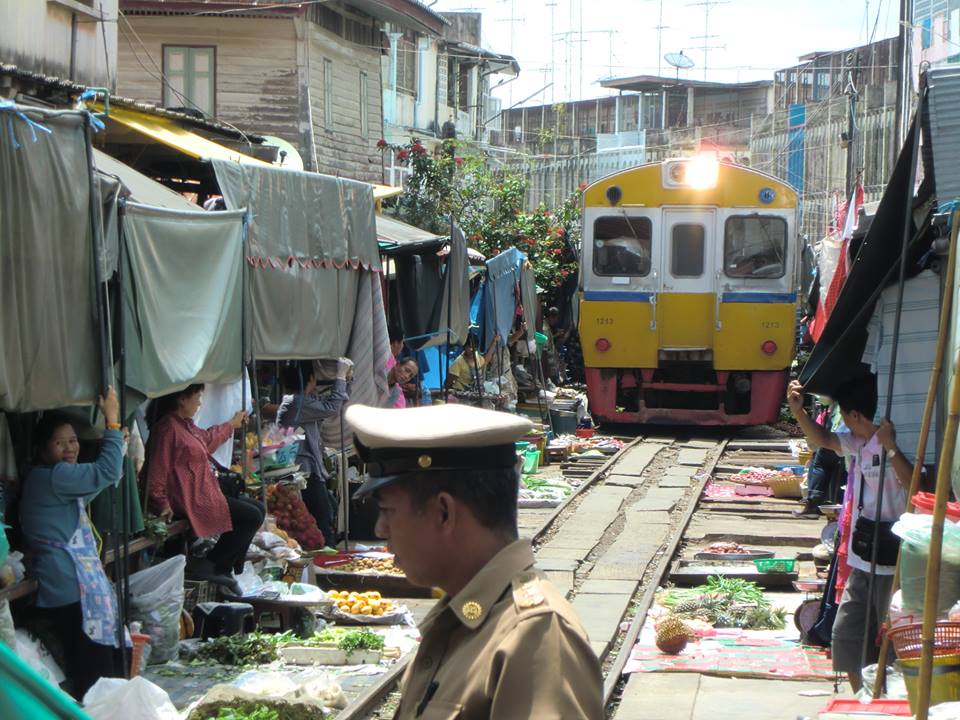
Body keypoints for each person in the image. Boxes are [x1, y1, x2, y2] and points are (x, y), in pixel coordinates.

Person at [346, 403, 603, 719]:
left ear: (444, 513)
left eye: (387, 512)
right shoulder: (462, 619)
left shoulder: (536, 636)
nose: (379, 529)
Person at [787, 376, 911, 692]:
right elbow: (825, 439)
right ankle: (862, 701)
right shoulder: (858, 442)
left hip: (894, 561)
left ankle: (889, 701)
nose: (844, 422)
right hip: (861, 556)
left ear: (855, 414)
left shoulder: (896, 440)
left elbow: (916, 485)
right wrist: (798, 412)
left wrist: (892, 448)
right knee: (846, 634)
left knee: (892, 639)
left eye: (845, 415)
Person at [19, 387, 126, 699]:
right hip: (71, 589)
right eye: (59, 442)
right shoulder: (56, 476)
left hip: (71, 589)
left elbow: (92, 487)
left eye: (73, 440)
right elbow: (106, 471)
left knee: (92, 672)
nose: (69, 448)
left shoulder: (48, 478)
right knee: (95, 676)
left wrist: (116, 451)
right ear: (42, 449)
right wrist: (113, 423)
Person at [145, 384, 262, 591]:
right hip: (186, 499)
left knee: (258, 509)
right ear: (182, 399)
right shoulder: (167, 429)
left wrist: (231, 425)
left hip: (200, 492)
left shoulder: (184, 425)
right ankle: (216, 565)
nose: (200, 402)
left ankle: (229, 567)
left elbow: (207, 439)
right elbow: (156, 470)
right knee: (250, 515)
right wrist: (161, 502)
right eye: (197, 396)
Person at [277, 358, 353, 547]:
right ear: (310, 378)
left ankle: (324, 552)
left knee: (329, 509)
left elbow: (335, 402)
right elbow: (332, 407)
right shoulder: (297, 403)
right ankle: (326, 561)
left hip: (309, 467)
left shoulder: (301, 402)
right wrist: (340, 376)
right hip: (304, 469)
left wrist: (345, 380)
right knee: (323, 516)